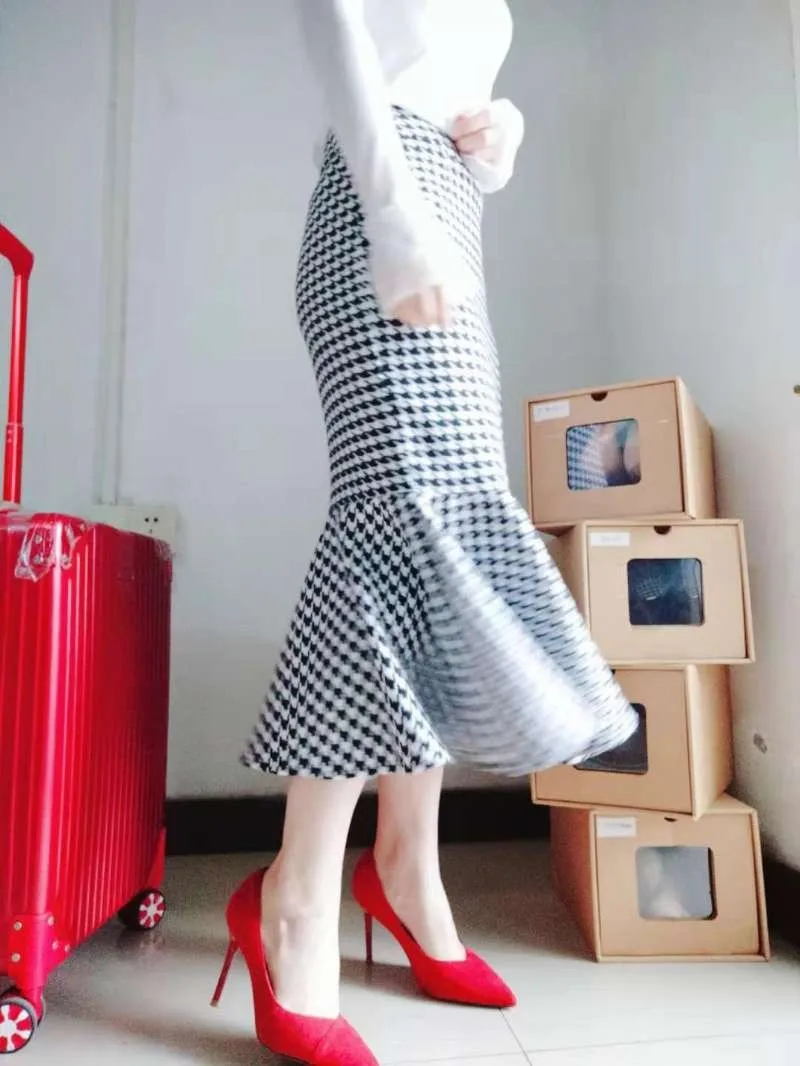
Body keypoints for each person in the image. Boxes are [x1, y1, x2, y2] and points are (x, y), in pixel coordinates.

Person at [212, 3, 638, 1064]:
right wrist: (397, 214)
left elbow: (444, 73)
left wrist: (497, 142)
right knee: (399, 514)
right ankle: (297, 896)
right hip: (383, 202)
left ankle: (406, 864)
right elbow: (335, 30)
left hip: (444, 209)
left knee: (442, 528)